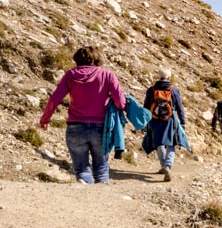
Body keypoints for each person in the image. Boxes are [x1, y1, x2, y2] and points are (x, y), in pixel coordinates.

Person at [39, 46, 127, 184]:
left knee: (82, 168)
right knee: (102, 168)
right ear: (97, 59)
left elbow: (54, 99)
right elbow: (121, 103)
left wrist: (45, 120)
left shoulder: (70, 75)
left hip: (76, 126)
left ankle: (85, 188)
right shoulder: (107, 75)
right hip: (101, 128)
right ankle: (101, 194)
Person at [142, 69, 187, 181]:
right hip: (169, 120)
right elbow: (180, 108)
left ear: (159, 77)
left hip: (154, 120)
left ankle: (163, 165)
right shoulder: (173, 90)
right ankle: (168, 166)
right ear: (169, 77)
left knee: (159, 143)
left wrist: (144, 122)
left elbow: (146, 107)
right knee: (171, 143)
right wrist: (183, 122)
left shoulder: (151, 90)